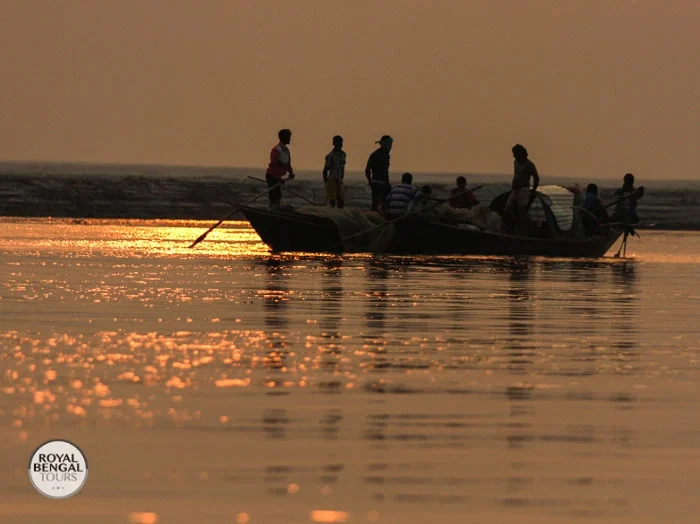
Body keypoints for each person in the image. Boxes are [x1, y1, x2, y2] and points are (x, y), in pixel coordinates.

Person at [504, 144, 540, 235]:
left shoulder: (529, 165)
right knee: (508, 209)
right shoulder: (516, 162)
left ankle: (523, 231)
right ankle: (512, 228)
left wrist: (533, 190)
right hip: (515, 190)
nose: (514, 156)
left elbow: (536, 178)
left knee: (522, 212)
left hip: (524, 190)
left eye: (515, 153)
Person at [265, 129, 295, 207]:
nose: (290, 139)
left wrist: (291, 173)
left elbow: (288, 164)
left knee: (278, 195)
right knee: (274, 195)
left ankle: (275, 208)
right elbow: (273, 164)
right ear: (284, 138)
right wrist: (278, 175)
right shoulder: (277, 150)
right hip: (272, 176)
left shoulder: (286, 150)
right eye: (288, 137)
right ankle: (272, 209)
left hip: (278, 177)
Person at [365, 135, 393, 211]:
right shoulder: (375, 155)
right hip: (378, 183)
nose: (391, 147)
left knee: (384, 204)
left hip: (384, 183)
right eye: (390, 145)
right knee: (377, 204)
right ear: (385, 145)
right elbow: (367, 170)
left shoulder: (386, 155)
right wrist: (370, 181)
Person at [323, 135, 346, 208]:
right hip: (332, 179)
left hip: (339, 179)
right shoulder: (330, 155)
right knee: (332, 200)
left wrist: (341, 178)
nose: (340, 145)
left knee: (341, 200)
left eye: (341, 143)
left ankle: (340, 214)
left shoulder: (343, 154)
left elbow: (342, 168)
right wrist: (326, 182)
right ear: (334, 144)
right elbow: (325, 170)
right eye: (338, 143)